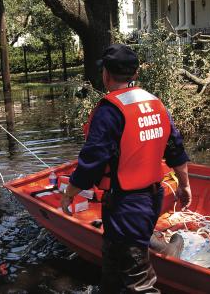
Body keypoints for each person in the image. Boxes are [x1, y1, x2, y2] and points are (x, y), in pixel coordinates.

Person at [61, 44, 192, 293]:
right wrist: (185, 185)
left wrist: (69, 192)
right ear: (135, 74)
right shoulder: (156, 104)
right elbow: (176, 150)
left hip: (126, 204)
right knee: (113, 260)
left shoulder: (109, 110)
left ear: (106, 74)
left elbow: (92, 161)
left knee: (138, 278)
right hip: (151, 198)